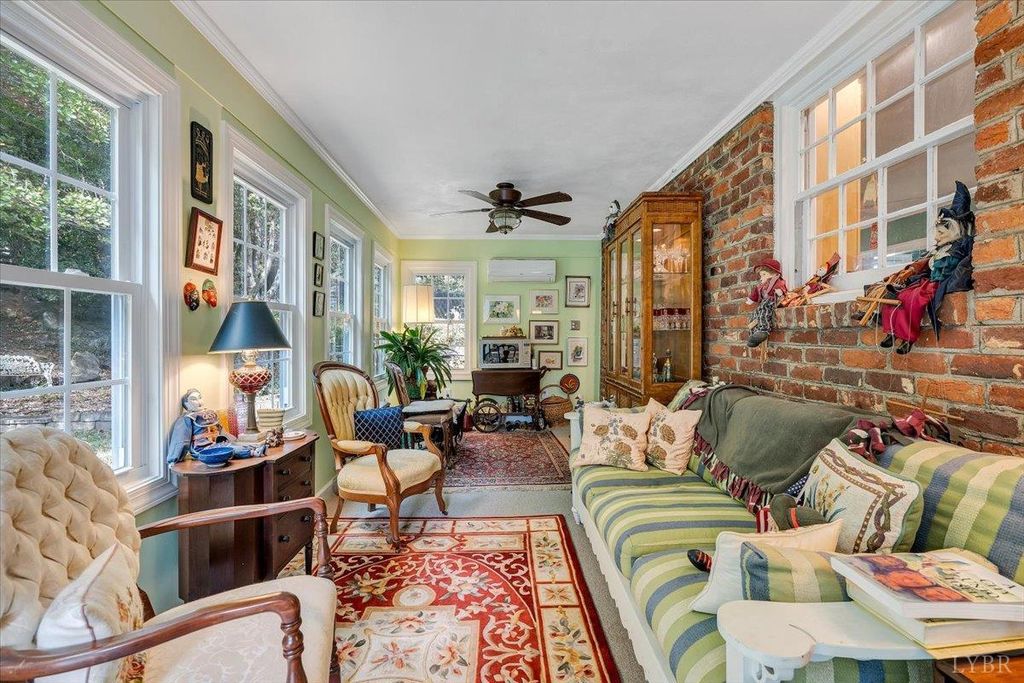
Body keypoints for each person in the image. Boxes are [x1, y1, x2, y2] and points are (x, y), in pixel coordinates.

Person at [880, 181, 974, 355]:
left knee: (912, 300)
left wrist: (935, 267)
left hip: (936, 283)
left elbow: (945, 270)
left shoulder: (956, 249)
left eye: (941, 233)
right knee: (898, 295)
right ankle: (892, 331)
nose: (936, 237)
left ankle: (907, 338)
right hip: (927, 281)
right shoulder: (938, 250)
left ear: (953, 231)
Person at [745, 258, 788, 347]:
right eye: (761, 275)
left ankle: (764, 330)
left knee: (764, 309)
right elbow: (755, 292)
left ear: (774, 274)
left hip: (772, 301)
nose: (761, 278)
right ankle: (754, 336)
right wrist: (751, 299)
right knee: (756, 314)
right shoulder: (761, 285)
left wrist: (780, 292)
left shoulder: (776, 281)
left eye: (764, 274)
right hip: (764, 302)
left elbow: (781, 287)